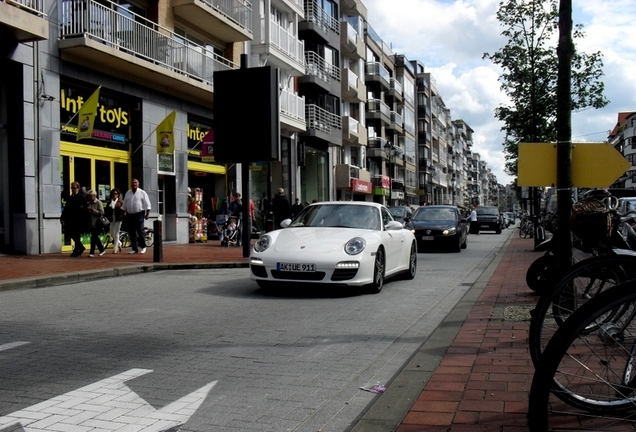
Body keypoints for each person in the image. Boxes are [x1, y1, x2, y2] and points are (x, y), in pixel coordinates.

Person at [121, 178, 151, 254]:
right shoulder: (128, 193)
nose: (134, 184)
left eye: (135, 183)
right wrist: (124, 211)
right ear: (131, 184)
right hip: (130, 215)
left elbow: (147, 204)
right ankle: (134, 248)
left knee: (140, 230)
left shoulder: (142, 193)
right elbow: (125, 204)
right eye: (133, 183)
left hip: (139, 214)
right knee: (131, 232)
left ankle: (143, 247)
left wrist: (147, 213)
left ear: (138, 184)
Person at [61, 181, 88, 257]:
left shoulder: (81, 197)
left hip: (78, 220)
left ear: (78, 188)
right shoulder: (70, 198)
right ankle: (81, 247)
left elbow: (85, 208)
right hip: (71, 219)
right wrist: (62, 217)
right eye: (72, 188)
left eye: (74, 188)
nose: (73, 189)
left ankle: (76, 250)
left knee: (77, 235)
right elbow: (66, 209)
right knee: (71, 234)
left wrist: (82, 212)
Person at [86, 189, 106, 257]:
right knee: (95, 238)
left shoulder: (98, 202)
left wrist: (93, 210)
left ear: (94, 196)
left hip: (98, 223)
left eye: (91, 196)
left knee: (93, 237)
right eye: (89, 196)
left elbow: (102, 213)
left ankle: (92, 252)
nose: (90, 197)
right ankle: (102, 250)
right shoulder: (89, 203)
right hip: (91, 223)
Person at [105, 188, 124, 253]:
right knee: (111, 233)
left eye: (116, 194)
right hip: (111, 219)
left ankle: (115, 249)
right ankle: (119, 243)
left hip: (118, 219)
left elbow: (123, 210)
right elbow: (107, 211)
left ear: (118, 195)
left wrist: (121, 215)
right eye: (113, 194)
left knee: (116, 233)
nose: (114, 195)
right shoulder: (109, 202)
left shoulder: (120, 201)